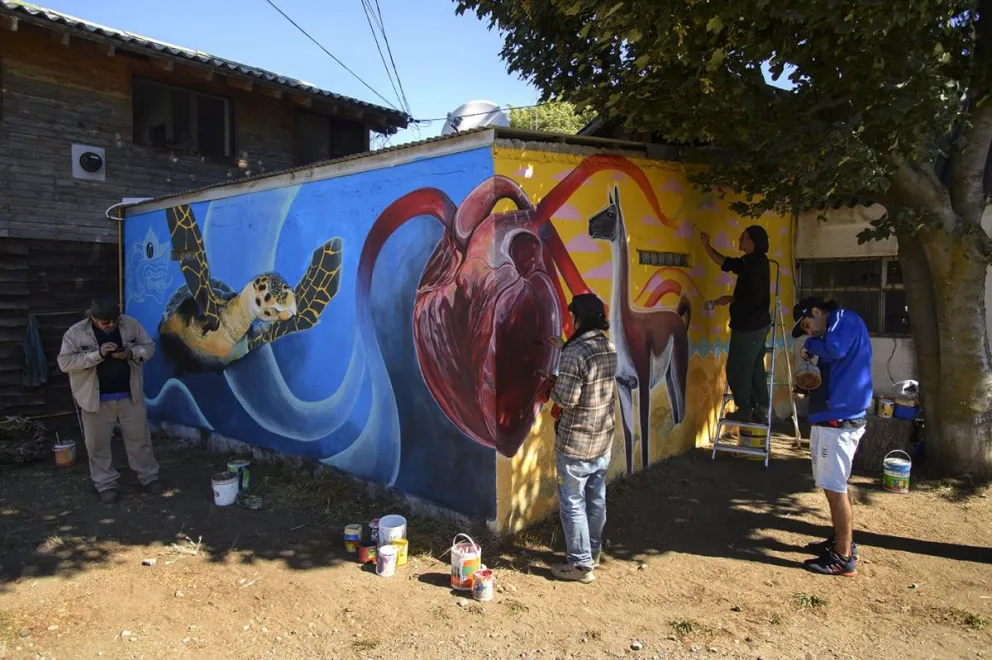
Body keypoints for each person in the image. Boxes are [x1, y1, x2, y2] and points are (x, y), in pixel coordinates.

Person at [536, 293, 617, 584]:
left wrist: (552, 383)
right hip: (602, 438)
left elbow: (567, 400)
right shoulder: (607, 346)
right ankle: (592, 552)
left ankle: (581, 566)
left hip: (576, 441)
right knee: (596, 497)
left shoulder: (575, 352)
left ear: (577, 317)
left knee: (572, 502)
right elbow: (590, 383)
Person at [792, 297, 873, 576]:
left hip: (838, 420)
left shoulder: (842, 318)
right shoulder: (833, 331)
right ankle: (842, 541)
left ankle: (843, 557)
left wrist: (810, 346)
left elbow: (835, 349)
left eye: (807, 324)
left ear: (816, 311)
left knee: (835, 488)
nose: (809, 332)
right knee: (832, 485)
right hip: (831, 417)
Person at [57, 297, 163, 504]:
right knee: (97, 444)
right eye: (105, 323)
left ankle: (148, 477)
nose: (111, 325)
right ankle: (105, 485)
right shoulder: (75, 333)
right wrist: (97, 355)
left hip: (129, 395)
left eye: (114, 321)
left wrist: (131, 353)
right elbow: (65, 362)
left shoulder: (130, 324)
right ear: (92, 318)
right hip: (95, 399)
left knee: (140, 439)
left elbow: (149, 347)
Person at [699, 225, 772, 424]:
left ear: (751, 242)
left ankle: (745, 408)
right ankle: (760, 408)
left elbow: (754, 298)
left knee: (737, 368)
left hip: (749, 325)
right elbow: (727, 263)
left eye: (744, 237)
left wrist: (730, 299)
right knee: (755, 366)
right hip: (756, 324)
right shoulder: (753, 261)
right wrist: (707, 245)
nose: (739, 239)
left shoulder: (755, 264)